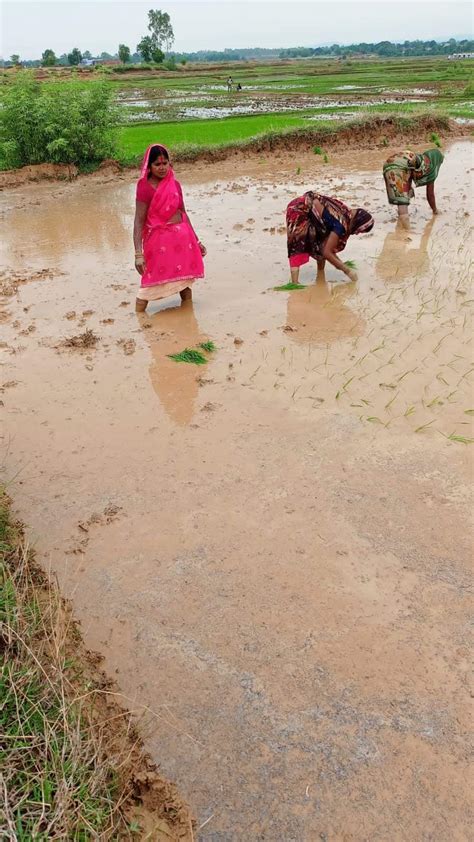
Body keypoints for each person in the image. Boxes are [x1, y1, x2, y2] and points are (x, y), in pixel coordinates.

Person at [133, 144, 206, 313]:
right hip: (158, 244)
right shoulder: (144, 187)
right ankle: (139, 317)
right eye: (157, 164)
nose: (162, 168)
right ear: (149, 167)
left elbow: (183, 214)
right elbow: (138, 221)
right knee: (147, 286)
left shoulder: (175, 184)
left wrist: (197, 241)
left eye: (165, 163)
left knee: (185, 282)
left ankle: (188, 315)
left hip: (182, 240)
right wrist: (138, 253)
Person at [286, 192, 374, 284]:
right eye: (359, 231)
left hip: (310, 209)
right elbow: (327, 252)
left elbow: (325, 246)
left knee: (323, 239)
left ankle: (320, 275)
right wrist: (348, 271)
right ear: (357, 223)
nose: (356, 233)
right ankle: (294, 284)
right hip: (298, 209)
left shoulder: (345, 212)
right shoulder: (340, 225)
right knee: (297, 242)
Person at [383, 148, 444, 224]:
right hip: (398, 167)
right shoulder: (430, 168)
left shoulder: (420, 158)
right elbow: (430, 195)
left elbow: (409, 172)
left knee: (401, 197)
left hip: (389, 163)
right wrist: (435, 210)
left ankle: (400, 226)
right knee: (402, 202)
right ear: (436, 160)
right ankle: (406, 231)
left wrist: (407, 190)